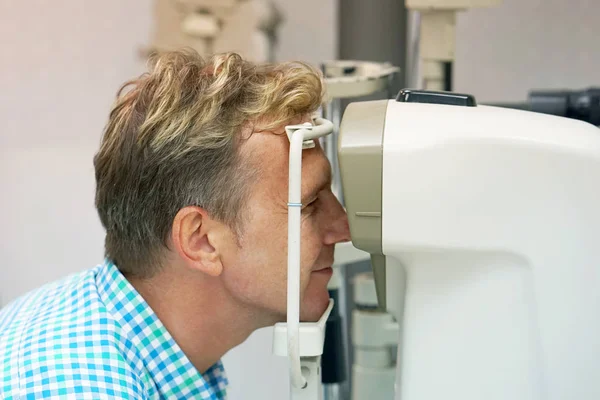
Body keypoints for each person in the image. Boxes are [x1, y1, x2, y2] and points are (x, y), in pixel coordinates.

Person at [0, 49, 350, 399]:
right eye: (309, 204)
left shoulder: (109, 332)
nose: (342, 228)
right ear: (201, 240)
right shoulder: (84, 388)